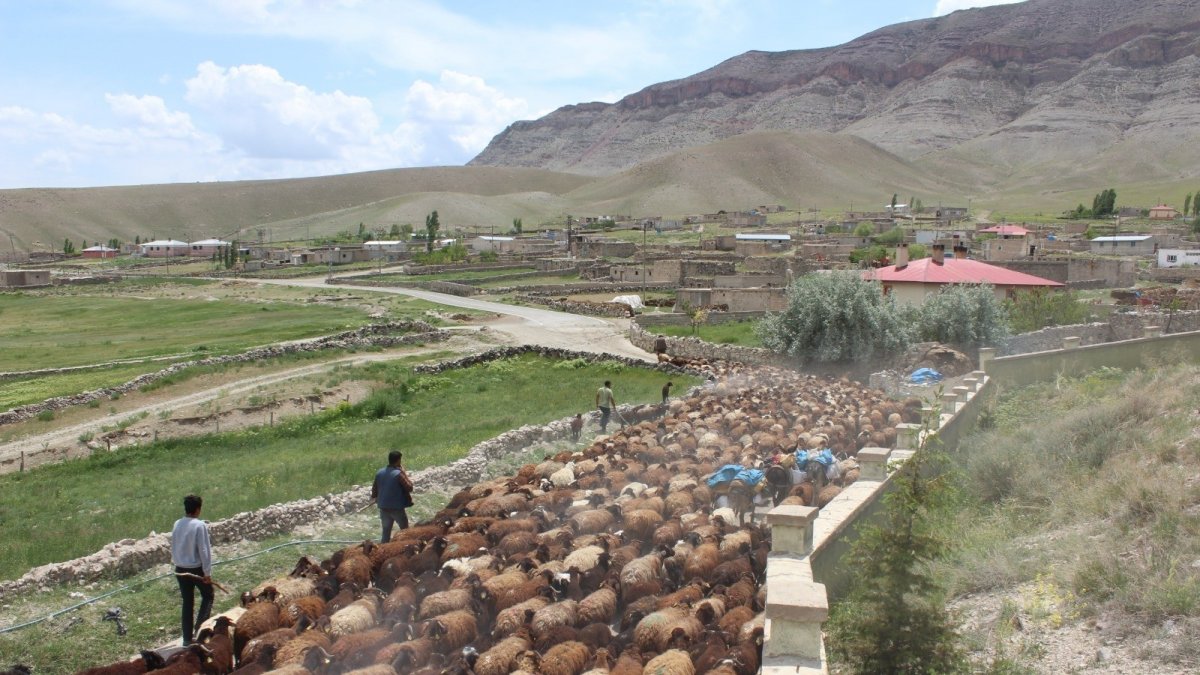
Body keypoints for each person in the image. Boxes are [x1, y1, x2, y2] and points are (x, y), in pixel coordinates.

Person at [171, 494, 213, 646]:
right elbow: (204, 550)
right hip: (195, 569)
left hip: (180, 569)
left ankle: (187, 639)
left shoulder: (177, 523)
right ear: (197, 509)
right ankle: (200, 630)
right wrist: (207, 573)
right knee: (208, 595)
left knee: (187, 602)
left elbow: (174, 544)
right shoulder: (199, 525)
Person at [372, 450, 413, 543]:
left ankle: (383, 551)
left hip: (383, 508)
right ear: (398, 460)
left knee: (386, 533)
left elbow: (374, 491)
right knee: (405, 531)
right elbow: (409, 487)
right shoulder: (398, 473)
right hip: (396, 508)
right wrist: (404, 472)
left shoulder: (379, 472)